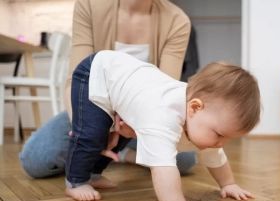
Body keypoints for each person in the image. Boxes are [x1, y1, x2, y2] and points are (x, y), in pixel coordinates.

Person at [65, 50, 261, 201]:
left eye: (228, 138)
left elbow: (215, 156)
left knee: (122, 135)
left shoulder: (202, 116)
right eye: (219, 134)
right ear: (194, 108)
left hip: (128, 84)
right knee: (91, 135)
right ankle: (75, 181)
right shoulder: (162, 116)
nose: (221, 143)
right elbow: (162, 168)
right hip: (97, 73)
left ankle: (94, 174)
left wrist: (228, 184)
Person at [19, 0, 197, 178]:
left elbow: (163, 96)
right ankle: (119, 152)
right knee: (36, 159)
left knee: (183, 160)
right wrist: (88, 132)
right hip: (91, 106)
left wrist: (125, 128)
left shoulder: (177, 21)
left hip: (142, 118)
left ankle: (122, 151)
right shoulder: (89, 5)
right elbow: (74, 80)